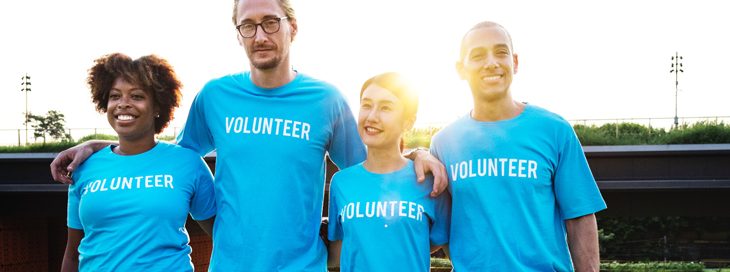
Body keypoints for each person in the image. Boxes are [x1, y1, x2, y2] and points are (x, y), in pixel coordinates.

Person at [50, 0, 447, 270]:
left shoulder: (326, 100)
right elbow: (169, 157)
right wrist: (102, 148)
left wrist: (415, 153)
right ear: (237, 33)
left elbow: (373, 165)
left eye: (270, 22)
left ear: (292, 27)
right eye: (248, 25)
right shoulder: (216, 96)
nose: (260, 35)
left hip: (302, 267)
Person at [428, 21, 607, 271]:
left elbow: (580, 217)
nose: (491, 62)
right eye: (478, 55)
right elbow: (441, 229)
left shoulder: (555, 130)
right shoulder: (443, 143)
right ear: (461, 69)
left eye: (500, 52)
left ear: (515, 62)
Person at [60, 53, 216, 272]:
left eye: (136, 96)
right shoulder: (84, 167)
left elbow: (225, 239)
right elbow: (72, 254)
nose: (123, 104)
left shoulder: (188, 163)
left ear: (158, 107)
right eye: (115, 96)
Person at [327, 72, 451, 271]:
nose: (372, 116)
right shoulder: (341, 183)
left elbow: (434, 245)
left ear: (408, 122)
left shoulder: (429, 181)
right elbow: (339, 253)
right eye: (366, 105)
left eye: (386, 108)